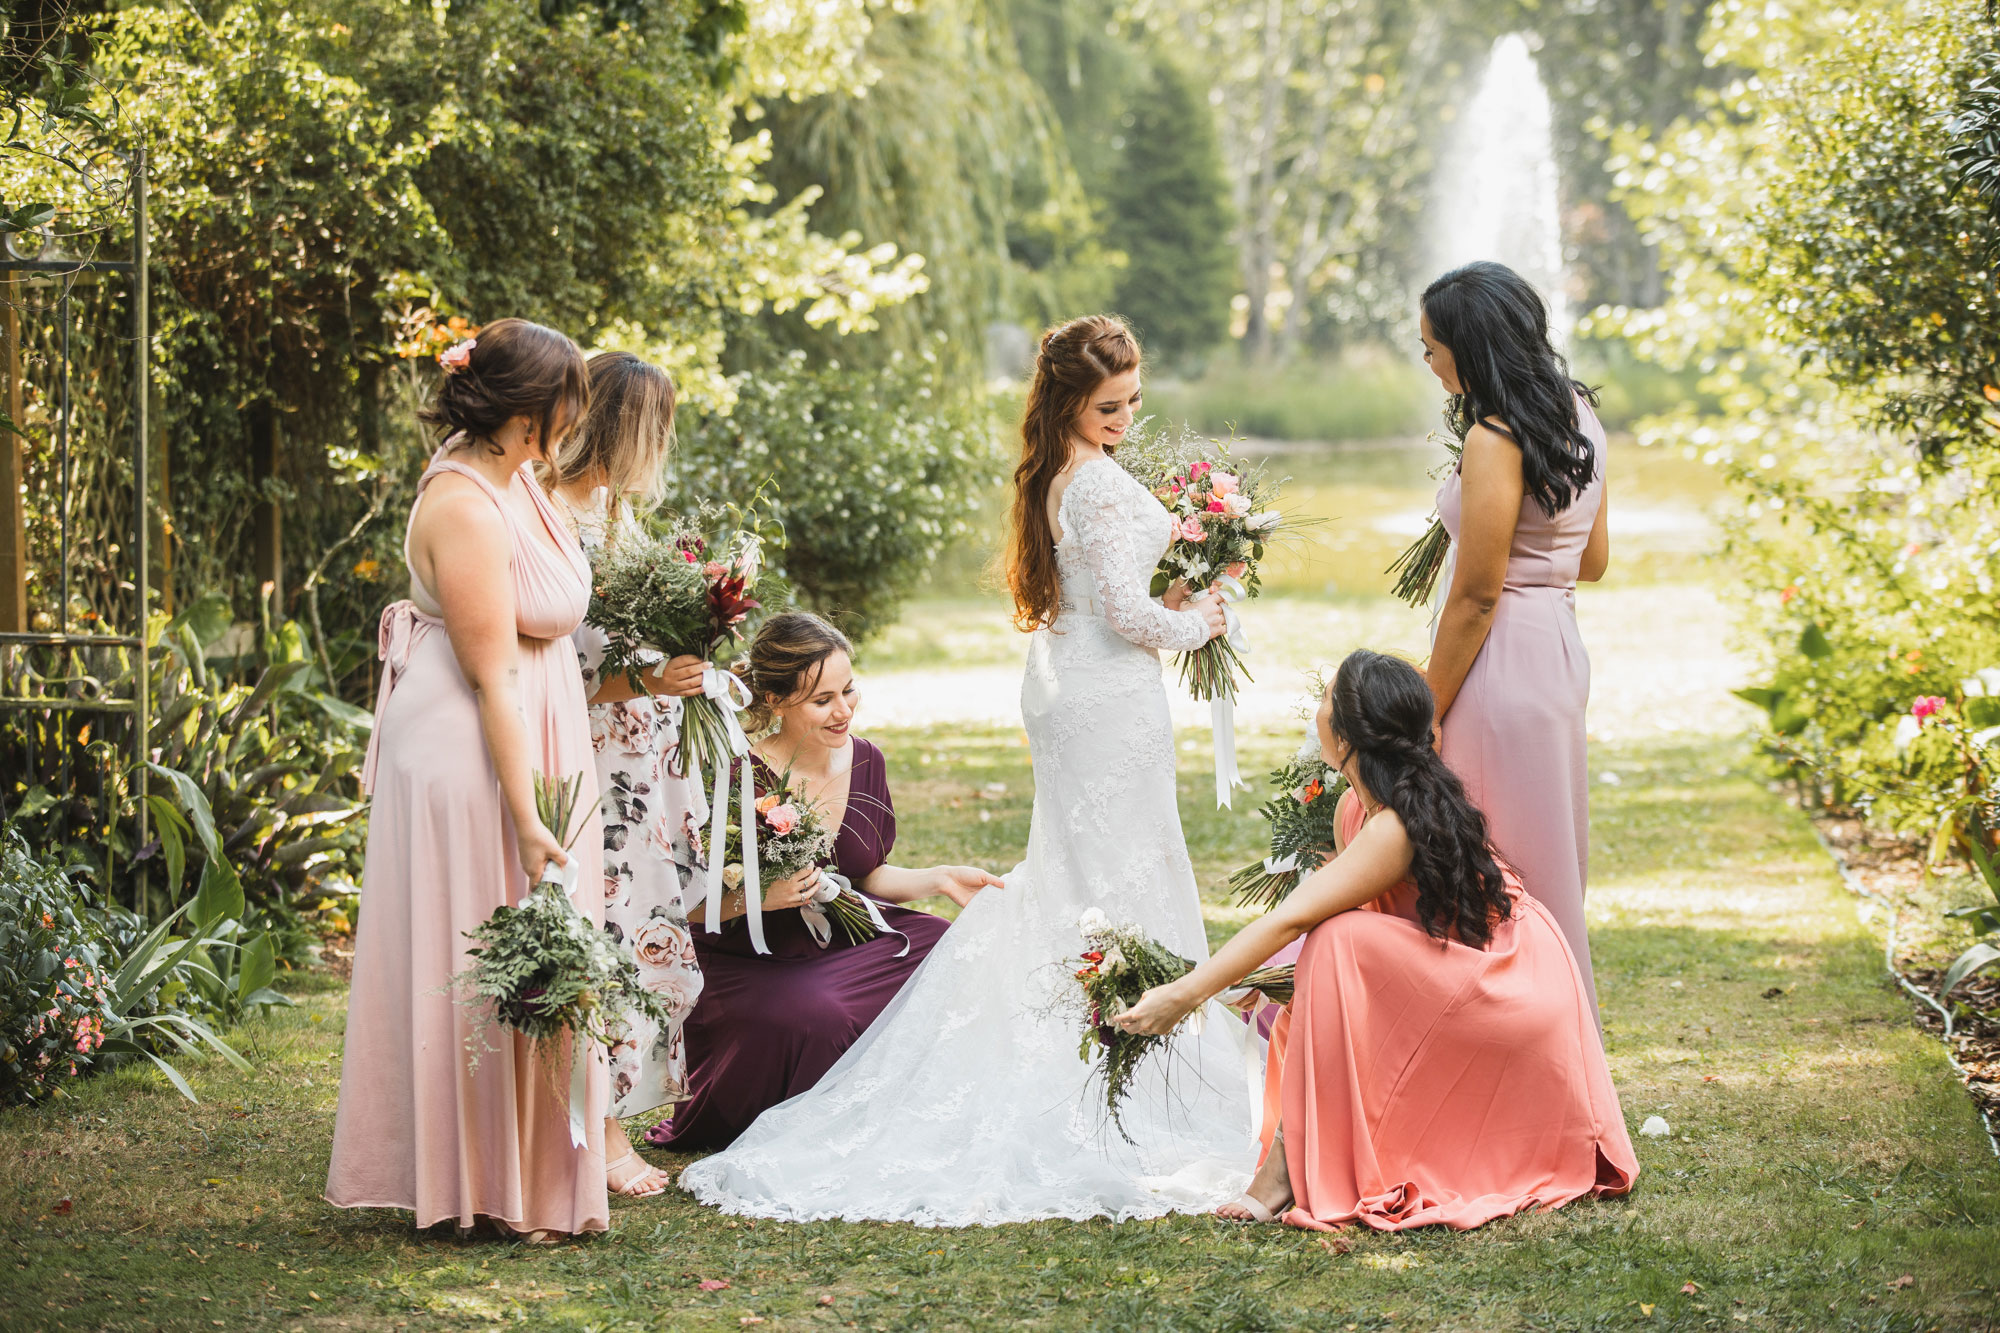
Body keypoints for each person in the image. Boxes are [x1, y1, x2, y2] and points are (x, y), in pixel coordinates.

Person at [678, 315, 1258, 1226]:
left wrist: (1176, 591)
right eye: (1109, 404)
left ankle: (1112, 1004)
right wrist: (1204, 622)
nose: (1126, 417)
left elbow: (1109, 599)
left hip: (1074, 686)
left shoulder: (1058, 475)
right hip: (1107, 696)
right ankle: (1128, 1032)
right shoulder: (1097, 483)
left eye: (1136, 400)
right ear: (1070, 400)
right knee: (1123, 864)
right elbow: (1129, 617)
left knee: (1093, 866)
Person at [1115, 649, 1638, 1232]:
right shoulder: (1354, 808)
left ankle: (1285, 1170)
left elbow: (1296, 921)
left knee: (1337, 941)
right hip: (1466, 972)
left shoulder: (1393, 826)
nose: (1315, 711)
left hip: (1511, 985)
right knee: (1335, 947)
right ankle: (1305, 1155)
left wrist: (1183, 995)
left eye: (1324, 700)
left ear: (1344, 738)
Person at [326, 319, 608, 1241]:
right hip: (476, 748)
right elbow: (495, 675)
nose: (577, 411)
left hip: (530, 731)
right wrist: (528, 816)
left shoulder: (515, 474)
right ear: (532, 409)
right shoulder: (462, 503)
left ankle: (524, 1173)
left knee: (534, 950)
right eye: (568, 395)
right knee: (482, 951)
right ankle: (476, 1185)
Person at [647, 612, 998, 1151]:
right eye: (822, 700)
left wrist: (941, 878)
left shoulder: (867, 760)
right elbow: (683, 905)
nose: (844, 711)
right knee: (819, 1016)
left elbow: (866, 873)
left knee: (955, 953)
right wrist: (762, 897)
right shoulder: (737, 774)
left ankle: (922, 1103)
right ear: (775, 702)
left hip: (843, 940)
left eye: (849, 691)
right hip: (750, 957)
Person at [1419, 261, 1610, 1008]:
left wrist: (1425, 709)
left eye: (1433, 345)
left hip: (1498, 660)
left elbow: (1475, 594)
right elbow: (1592, 560)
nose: (1428, 360)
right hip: (1558, 651)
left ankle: (1512, 1048)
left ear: (1471, 348)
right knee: (1550, 863)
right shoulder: (1580, 414)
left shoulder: (1493, 438)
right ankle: (1559, 1039)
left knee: (1490, 866)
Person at [545, 351, 710, 1199]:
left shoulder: (614, 516)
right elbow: (547, 673)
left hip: (642, 765)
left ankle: (614, 1113)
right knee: (603, 939)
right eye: (658, 427)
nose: (664, 444)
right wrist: (644, 680)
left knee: (644, 938)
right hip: (591, 763)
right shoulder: (548, 518)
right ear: (624, 425)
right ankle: (596, 1133)